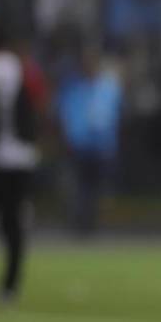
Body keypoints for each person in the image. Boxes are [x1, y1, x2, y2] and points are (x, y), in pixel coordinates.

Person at [0, 27, 44, 304]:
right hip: (23, 156)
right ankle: (10, 286)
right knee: (13, 224)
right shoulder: (21, 68)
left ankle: (8, 285)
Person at [56, 44, 122, 236]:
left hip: (102, 147)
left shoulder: (109, 88)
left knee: (99, 189)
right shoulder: (73, 89)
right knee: (78, 187)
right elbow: (65, 116)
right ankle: (78, 224)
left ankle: (94, 224)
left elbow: (115, 115)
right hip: (79, 147)